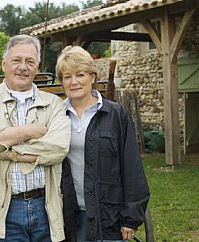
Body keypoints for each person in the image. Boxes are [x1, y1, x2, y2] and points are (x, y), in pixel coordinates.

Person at [0, 34, 71, 241]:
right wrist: (29, 132)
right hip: (3, 207)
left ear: (37, 67)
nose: (23, 67)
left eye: (30, 61)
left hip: (45, 205)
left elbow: (58, 148)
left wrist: (9, 151)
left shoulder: (54, 103)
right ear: (4, 63)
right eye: (16, 60)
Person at [56, 46, 150, 242]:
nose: (74, 82)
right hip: (71, 214)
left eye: (80, 74)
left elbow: (132, 167)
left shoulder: (115, 114)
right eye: (67, 76)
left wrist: (130, 218)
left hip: (108, 215)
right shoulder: (57, 116)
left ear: (93, 77)